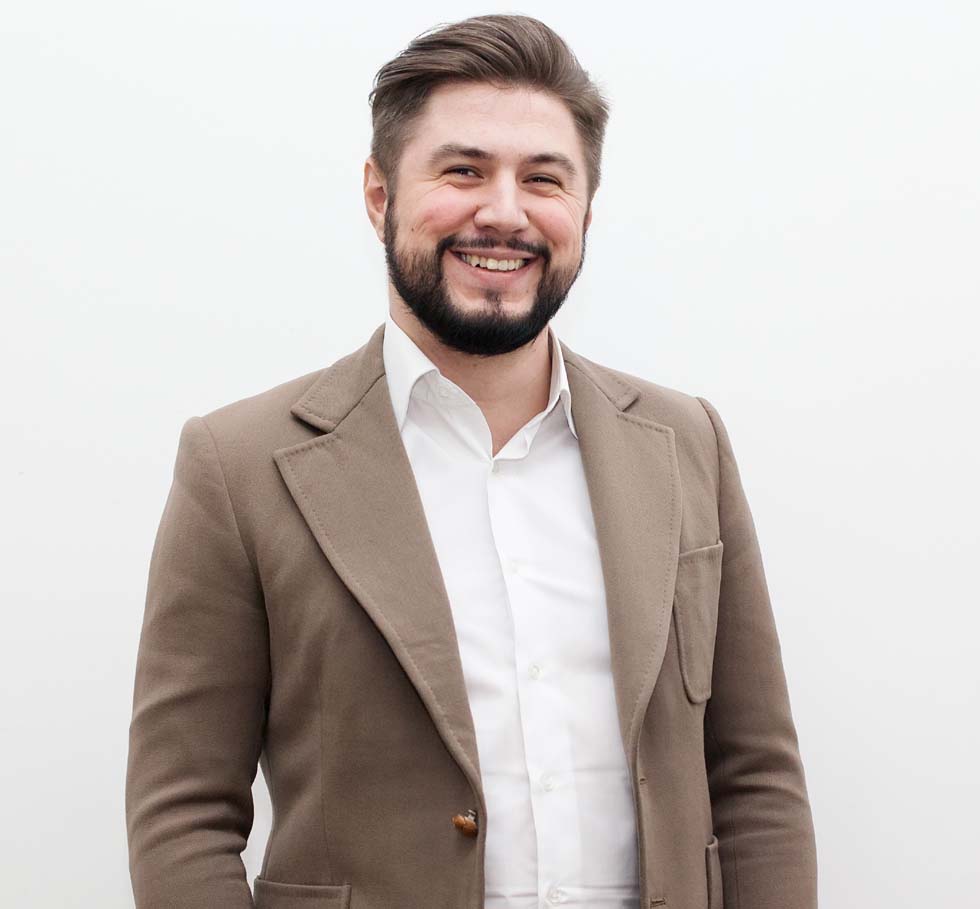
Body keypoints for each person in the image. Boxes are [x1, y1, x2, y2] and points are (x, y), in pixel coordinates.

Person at [125, 14, 817, 909]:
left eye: (544, 179)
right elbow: (182, 814)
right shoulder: (241, 465)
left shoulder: (688, 442)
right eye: (463, 171)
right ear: (379, 194)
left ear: (585, 212)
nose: (504, 211)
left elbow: (758, 782)